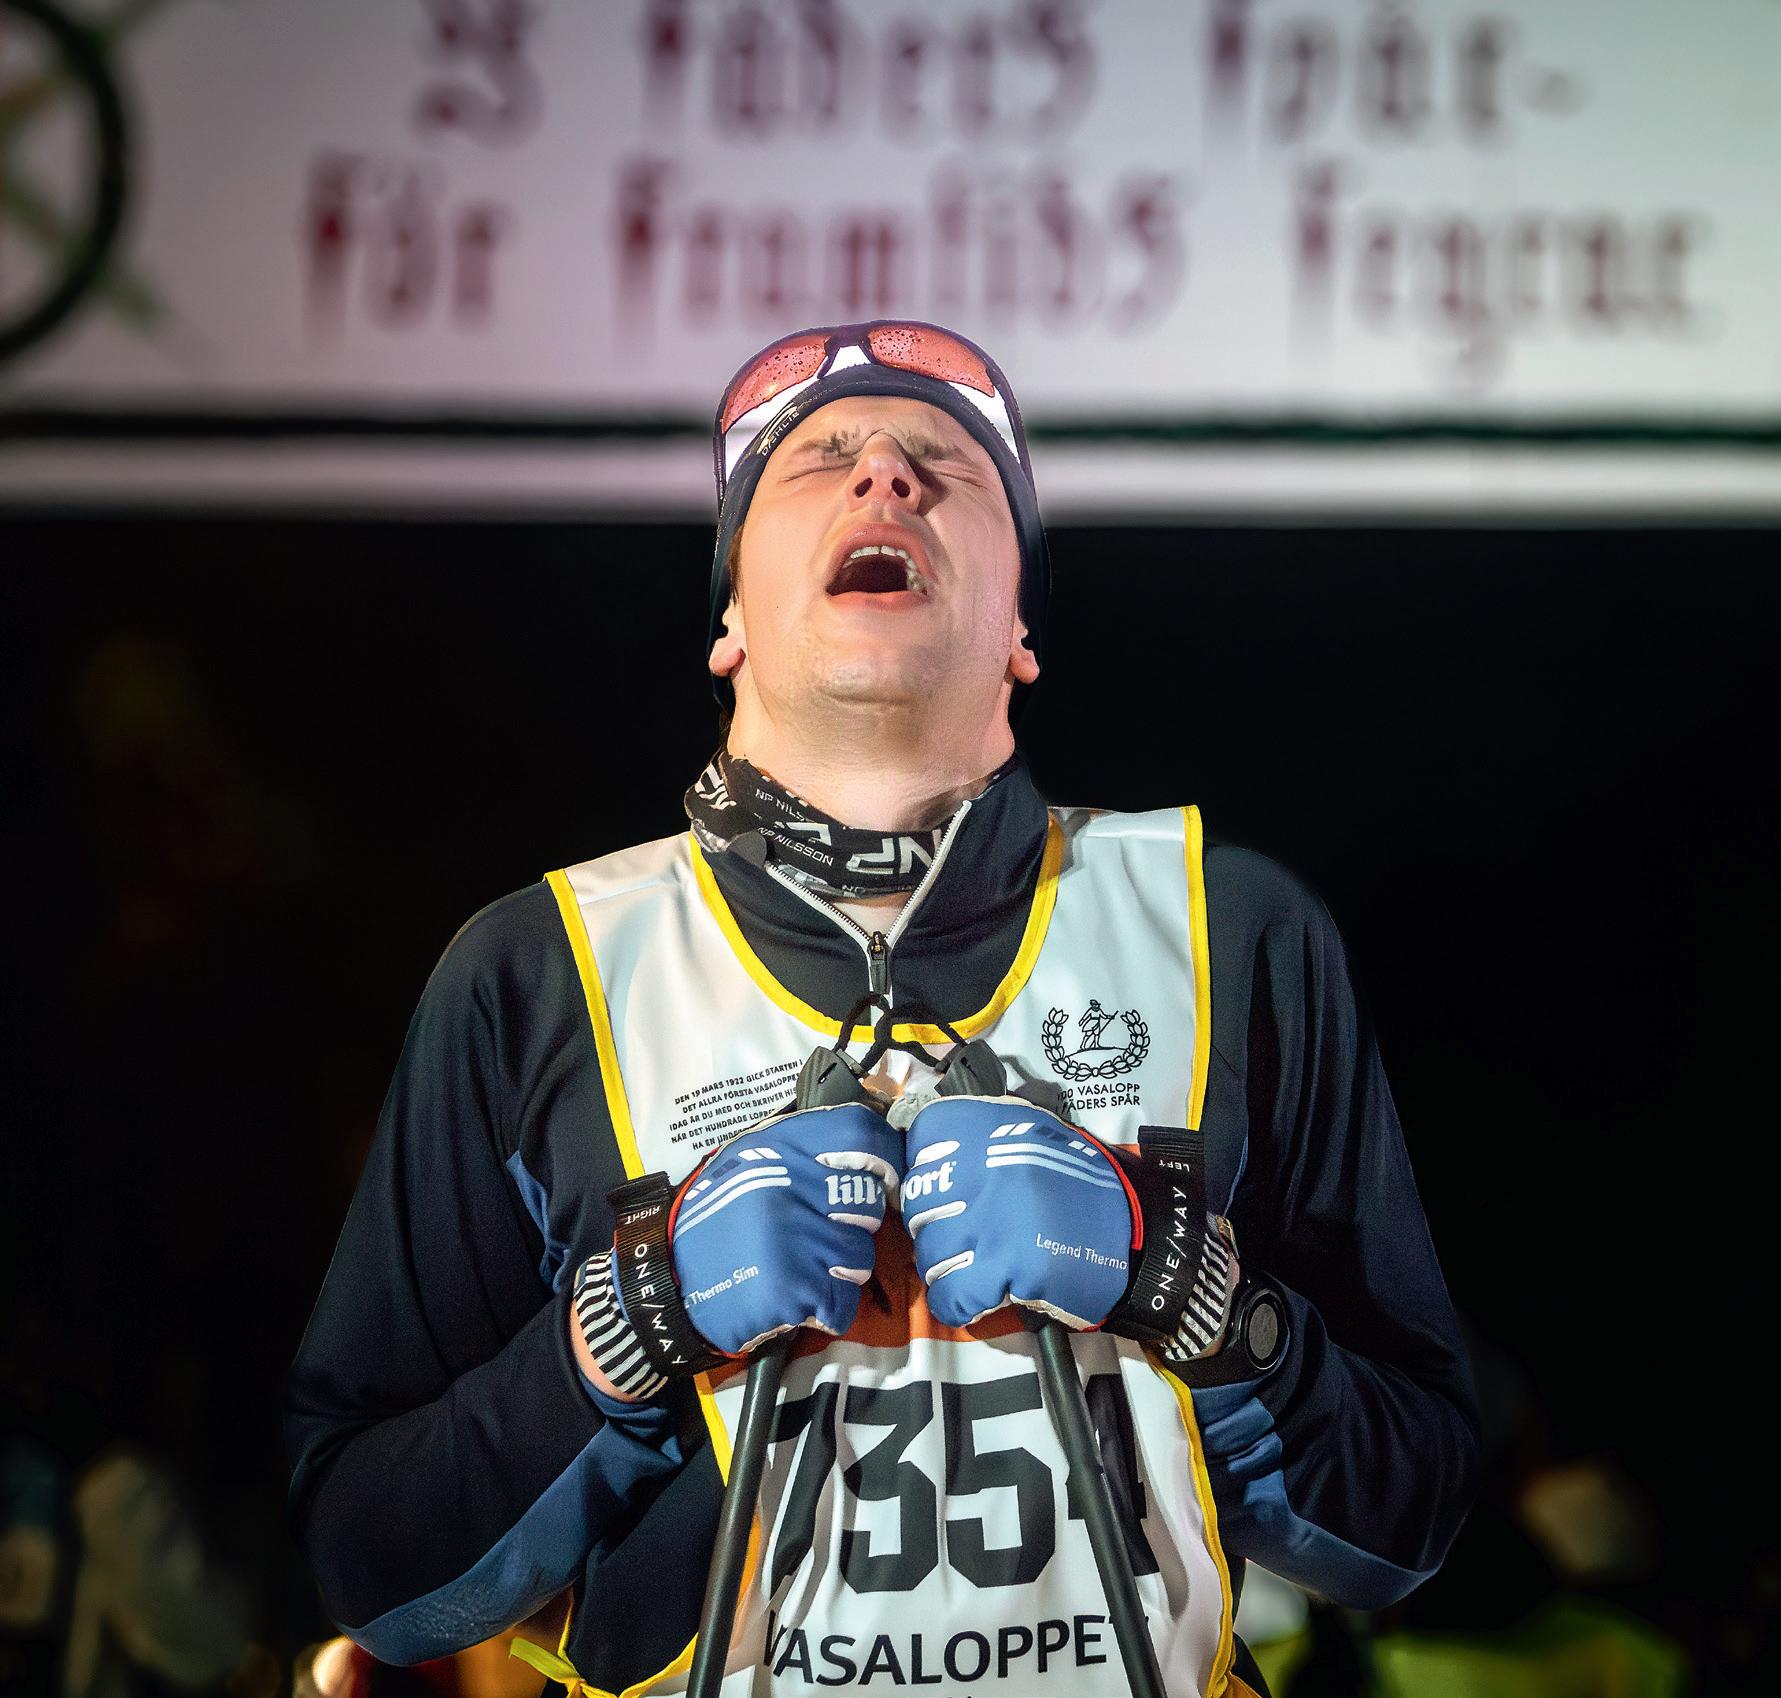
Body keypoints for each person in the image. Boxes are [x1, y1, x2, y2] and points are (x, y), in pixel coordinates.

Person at [284, 321, 1479, 1698]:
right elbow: (378, 1570)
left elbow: (1405, 1524)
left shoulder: (1230, 926)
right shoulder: (537, 971)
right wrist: (637, 1320)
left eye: (942, 465)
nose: (886, 478)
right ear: (730, 621)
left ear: (1019, 631)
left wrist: (1184, 1288)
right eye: (819, 462)